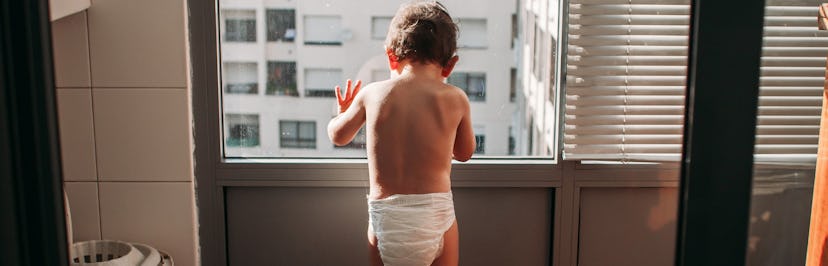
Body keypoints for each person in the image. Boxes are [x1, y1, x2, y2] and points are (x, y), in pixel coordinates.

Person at [326, 1, 475, 265]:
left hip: (387, 219)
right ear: (450, 66)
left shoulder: (372, 93)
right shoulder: (455, 98)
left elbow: (338, 136)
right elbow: (464, 153)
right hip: (435, 215)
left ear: (390, 56)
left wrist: (342, 113)